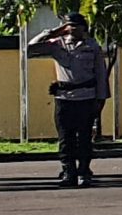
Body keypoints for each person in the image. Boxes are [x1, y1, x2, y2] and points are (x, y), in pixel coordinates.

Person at [26, 13, 109, 187]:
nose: (72, 29)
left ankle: (84, 171)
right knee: (65, 138)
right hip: (64, 98)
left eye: (76, 26)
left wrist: (101, 98)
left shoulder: (92, 46)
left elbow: (101, 74)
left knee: (85, 138)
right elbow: (30, 48)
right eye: (69, 26)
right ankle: (68, 171)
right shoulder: (57, 45)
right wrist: (52, 32)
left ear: (84, 28)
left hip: (86, 97)